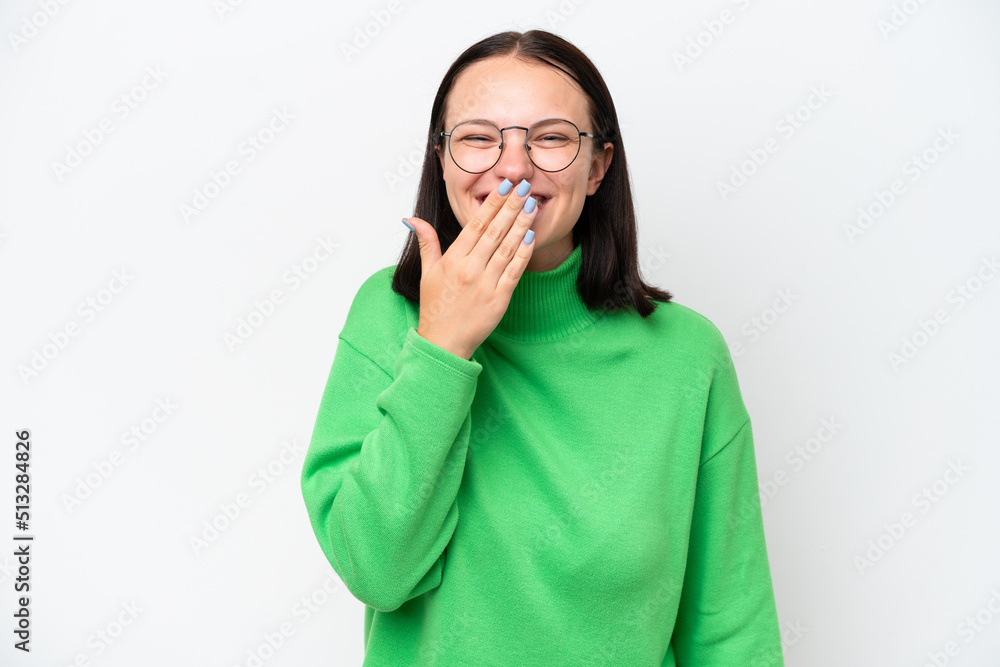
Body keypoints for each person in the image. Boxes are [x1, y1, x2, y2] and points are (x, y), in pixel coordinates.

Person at [300, 29, 784, 667]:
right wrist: (443, 346)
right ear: (441, 159)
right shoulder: (390, 317)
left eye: (551, 138)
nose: (513, 167)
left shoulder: (687, 356)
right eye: (478, 137)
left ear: (598, 168)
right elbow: (376, 568)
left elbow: (731, 630)